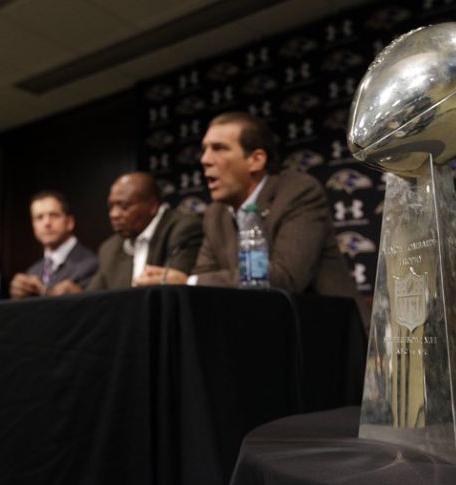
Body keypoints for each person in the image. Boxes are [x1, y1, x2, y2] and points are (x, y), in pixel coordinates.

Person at [135, 112, 370, 330]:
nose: (205, 160)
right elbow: (207, 276)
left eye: (218, 148)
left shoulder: (297, 192)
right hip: (263, 335)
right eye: (204, 149)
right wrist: (195, 281)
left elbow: (284, 277)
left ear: (256, 160)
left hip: (330, 336)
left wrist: (189, 281)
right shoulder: (215, 214)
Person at [86, 172, 203, 291]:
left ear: (152, 206)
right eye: (111, 207)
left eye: (124, 206)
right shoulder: (109, 249)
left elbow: (175, 290)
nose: (114, 214)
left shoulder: (184, 230)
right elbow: (93, 299)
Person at [10, 190, 98, 298]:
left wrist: (79, 296)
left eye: (54, 215)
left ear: (69, 222)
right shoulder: (32, 272)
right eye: (39, 217)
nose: (46, 223)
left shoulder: (91, 265)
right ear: (34, 227)